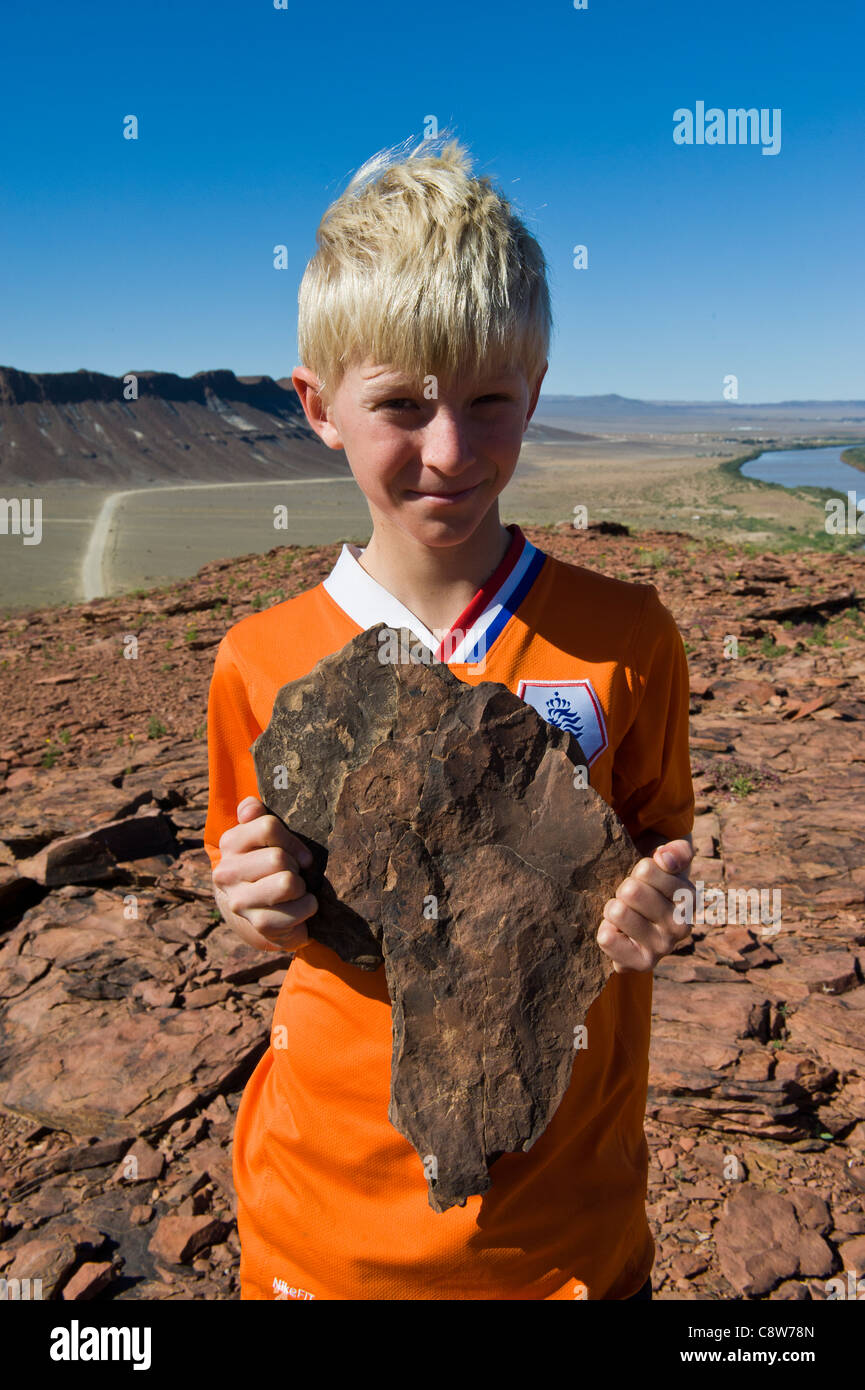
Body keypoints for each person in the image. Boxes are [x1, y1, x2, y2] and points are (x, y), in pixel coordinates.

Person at [203, 134, 695, 1301]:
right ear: (318, 408)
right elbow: (262, 899)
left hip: (563, 1232)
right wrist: (254, 905)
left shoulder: (625, 634)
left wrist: (660, 893)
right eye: (401, 406)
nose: (449, 450)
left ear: (534, 393)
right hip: (326, 1232)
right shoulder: (259, 662)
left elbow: (663, 835)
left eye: (488, 403)